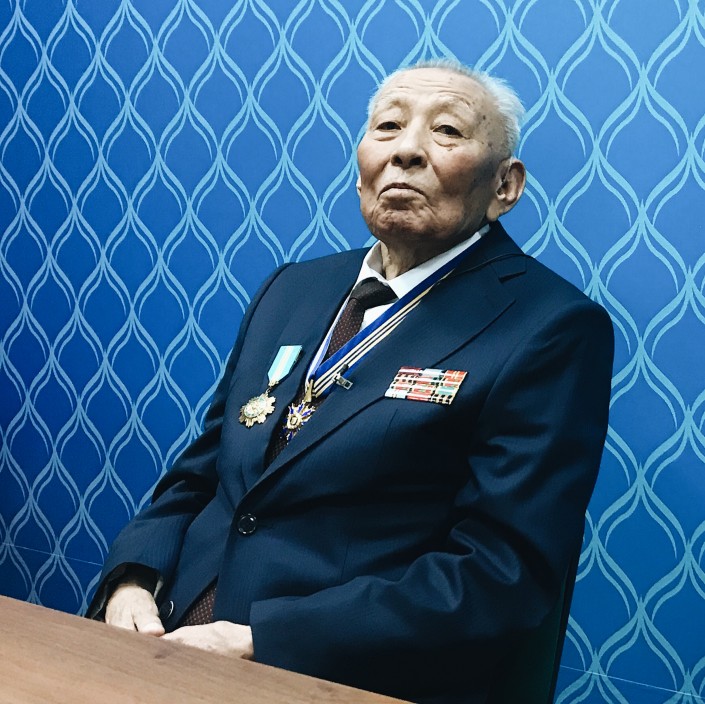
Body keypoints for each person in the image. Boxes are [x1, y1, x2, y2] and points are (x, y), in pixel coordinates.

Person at [87, 60, 614, 704]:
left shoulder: (548, 327)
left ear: (505, 185)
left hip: (325, 673)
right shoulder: (294, 288)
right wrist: (132, 578)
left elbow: (499, 575)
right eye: (387, 127)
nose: (406, 151)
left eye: (446, 131)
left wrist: (262, 639)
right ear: (361, 164)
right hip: (160, 643)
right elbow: (201, 475)